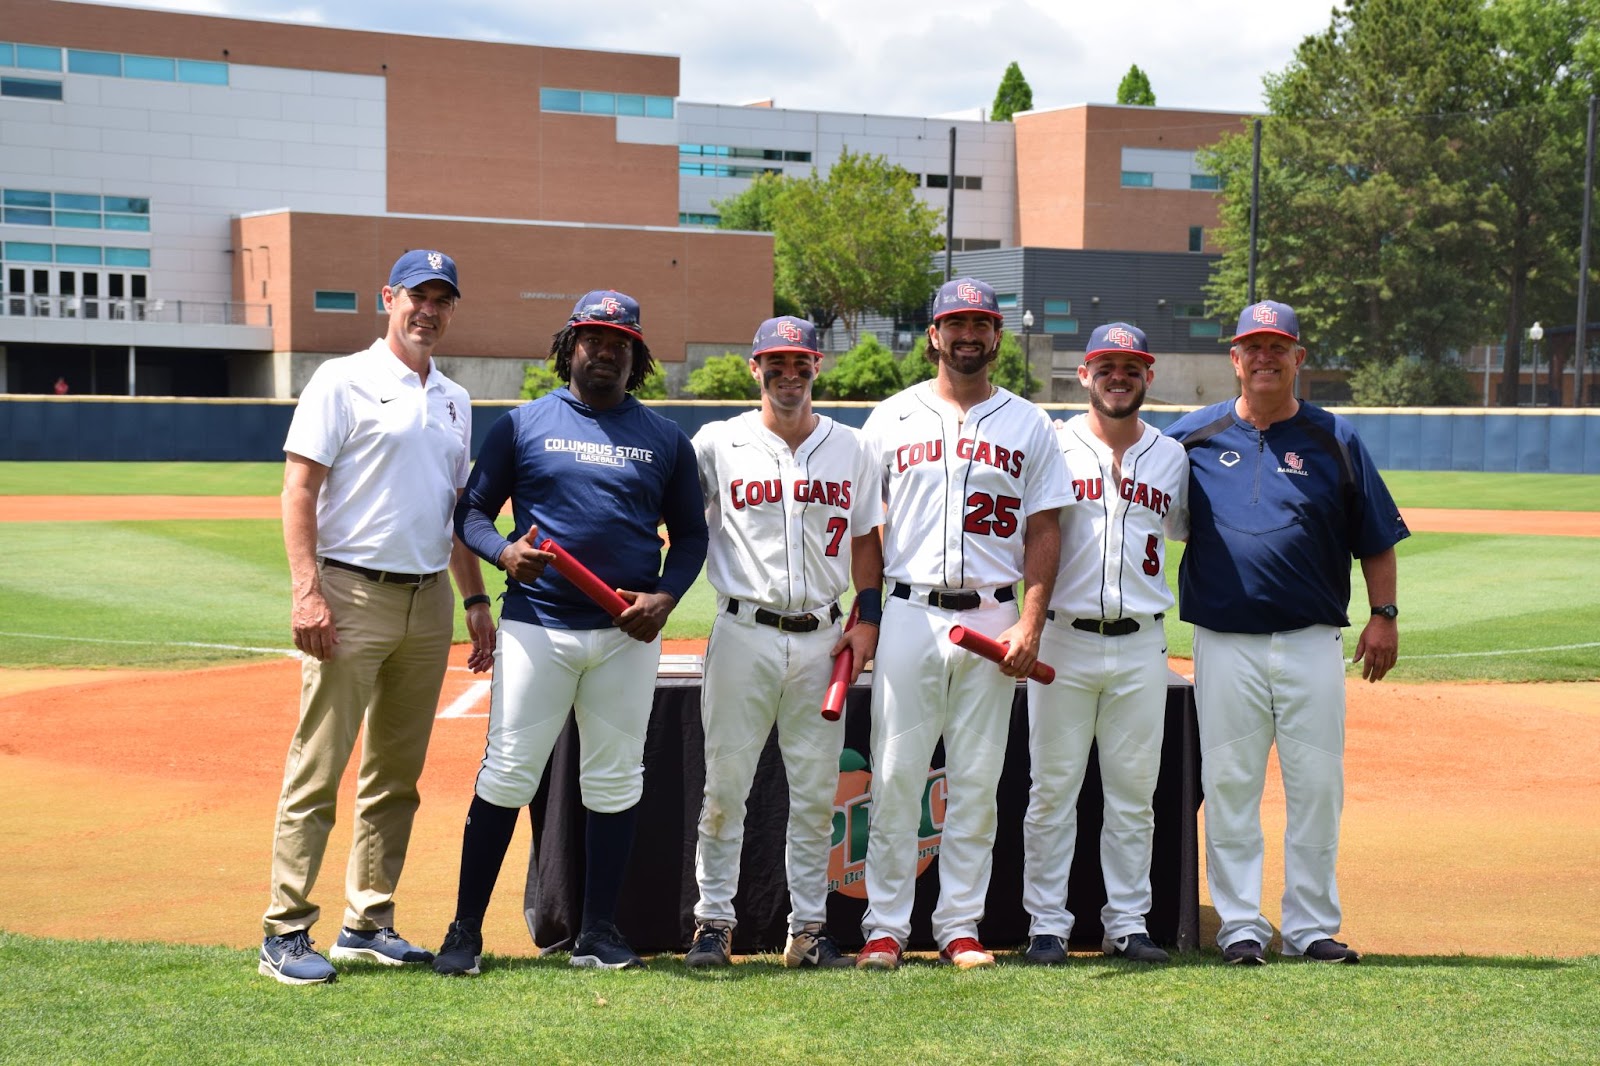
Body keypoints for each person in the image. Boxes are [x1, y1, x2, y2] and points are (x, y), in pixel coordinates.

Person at [432, 290, 708, 976]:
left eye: (620, 341)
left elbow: (693, 536)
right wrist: (502, 554)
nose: (605, 350)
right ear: (569, 347)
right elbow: (470, 515)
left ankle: (599, 932)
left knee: (613, 782)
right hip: (538, 627)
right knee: (507, 773)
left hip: (625, 635)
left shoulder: (665, 439)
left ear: (636, 355)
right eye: (592, 338)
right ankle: (464, 931)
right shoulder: (522, 424)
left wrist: (666, 597)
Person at [260, 249, 495, 986]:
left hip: (428, 599)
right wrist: (307, 591)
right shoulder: (342, 379)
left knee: (397, 773)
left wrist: (476, 599)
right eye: (416, 296)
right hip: (351, 592)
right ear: (387, 297)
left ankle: (367, 920)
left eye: (442, 300)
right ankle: (285, 931)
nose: (428, 310)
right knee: (319, 767)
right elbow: (299, 490)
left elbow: (457, 513)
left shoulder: (456, 399)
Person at [1165, 300, 1407, 966]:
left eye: (1279, 347)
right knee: (1233, 783)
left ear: (1299, 358)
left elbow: (1377, 540)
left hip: (1311, 640)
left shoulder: (1336, 438)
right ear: (1235, 359)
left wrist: (1383, 617)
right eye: (1253, 347)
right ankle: (1242, 925)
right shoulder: (1191, 437)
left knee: (1316, 788)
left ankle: (1310, 928)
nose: (1265, 358)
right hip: (1223, 640)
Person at [855, 277, 1072, 971]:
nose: (968, 334)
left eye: (981, 323)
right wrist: (868, 612)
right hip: (911, 613)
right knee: (895, 774)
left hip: (993, 611)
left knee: (976, 781)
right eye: (957, 323)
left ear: (998, 335)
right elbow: (865, 530)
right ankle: (885, 928)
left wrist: (1030, 623)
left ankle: (959, 926)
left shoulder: (1029, 423)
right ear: (934, 335)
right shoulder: (890, 417)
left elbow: (1044, 531)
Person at [682, 316, 884, 971]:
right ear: (754, 367)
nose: (788, 374)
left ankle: (808, 929)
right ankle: (713, 921)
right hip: (743, 630)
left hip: (823, 637)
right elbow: (678, 521)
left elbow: (864, 543)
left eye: (799, 361)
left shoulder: (851, 448)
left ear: (817, 365)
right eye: (776, 362)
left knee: (816, 790)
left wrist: (869, 616)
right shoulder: (717, 442)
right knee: (726, 786)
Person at [1020, 323, 1189, 966]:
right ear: (1084, 374)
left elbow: (1180, 535)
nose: (1119, 376)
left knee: (1132, 793)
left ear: (1148, 375)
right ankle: (1046, 924)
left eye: (1132, 366)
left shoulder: (1172, 457)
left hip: (1143, 644)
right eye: (1106, 365)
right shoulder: (1050, 445)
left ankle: (1128, 922)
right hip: (1061, 637)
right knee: (1052, 790)